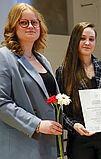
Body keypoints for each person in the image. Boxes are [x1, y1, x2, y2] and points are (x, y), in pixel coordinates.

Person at [0, 3, 62, 159]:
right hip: (22, 144)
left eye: (34, 22)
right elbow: (2, 103)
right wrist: (37, 125)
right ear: (13, 26)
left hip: (48, 142)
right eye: (24, 22)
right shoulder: (4, 57)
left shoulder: (43, 60)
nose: (30, 26)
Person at [56, 22, 101, 159]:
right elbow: (59, 111)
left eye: (91, 39)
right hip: (80, 136)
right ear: (75, 40)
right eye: (82, 38)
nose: (87, 43)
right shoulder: (64, 72)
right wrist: (73, 125)